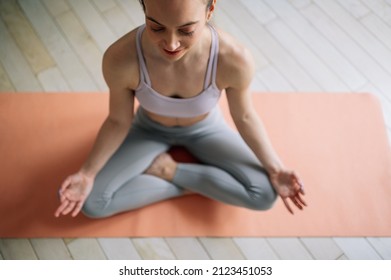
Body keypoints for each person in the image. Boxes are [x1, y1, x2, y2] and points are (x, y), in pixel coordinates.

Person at [55, 0, 306, 219]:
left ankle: (169, 171)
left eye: (186, 30)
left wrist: (276, 168)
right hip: (148, 129)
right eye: (156, 27)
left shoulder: (234, 59)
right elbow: (118, 121)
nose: (172, 43)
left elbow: (245, 116)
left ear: (210, 10)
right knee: (91, 203)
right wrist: (87, 174)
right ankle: (203, 186)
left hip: (206, 129)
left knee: (264, 195)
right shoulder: (120, 58)